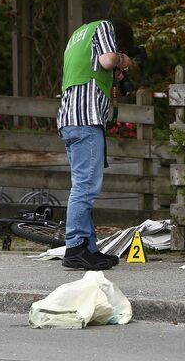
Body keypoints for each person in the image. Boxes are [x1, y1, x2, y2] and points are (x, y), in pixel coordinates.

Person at [57, 19, 134, 270]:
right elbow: (107, 60)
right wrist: (123, 60)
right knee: (85, 187)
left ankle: (89, 248)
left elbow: (94, 68)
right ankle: (76, 247)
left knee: (83, 184)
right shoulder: (104, 26)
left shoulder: (77, 37)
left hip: (70, 119)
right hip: (85, 119)